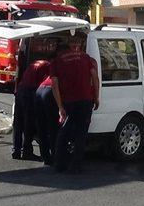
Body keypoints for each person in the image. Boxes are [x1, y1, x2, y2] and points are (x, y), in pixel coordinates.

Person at [51, 33, 100, 174]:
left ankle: (59, 164)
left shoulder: (57, 60)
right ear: (78, 45)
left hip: (68, 102)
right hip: (86, 100)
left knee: (64, 133)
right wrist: (96, 97)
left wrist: (60, 106)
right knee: (81, 134)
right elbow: (95, 77)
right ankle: (76, 166)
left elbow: (54, 84)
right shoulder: (86, 58)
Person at [34, 44, 68, 166]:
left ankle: (45, 157)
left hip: (40, 90)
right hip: (49, 92)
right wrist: (61, 106)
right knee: (53, 127)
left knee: (42, 126)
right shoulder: (63, 63)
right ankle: (55, 156)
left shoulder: (54, 63)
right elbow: (57, 85)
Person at [12, 59, 50, 161]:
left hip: (20, 90)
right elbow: (45, 83)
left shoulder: (35, 63)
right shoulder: (47, 66)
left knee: (18, 123)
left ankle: (16, 150)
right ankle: (27, 151)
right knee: (29, 123)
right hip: (29, 93)